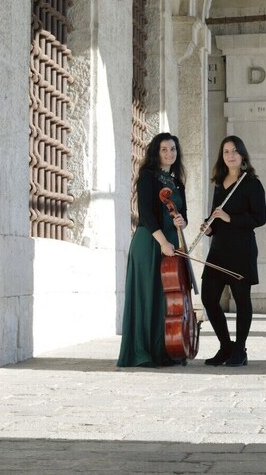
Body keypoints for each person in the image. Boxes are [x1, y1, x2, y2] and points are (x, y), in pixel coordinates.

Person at [118, 133, 189, 368]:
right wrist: (163, 243)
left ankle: (164, 350)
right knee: (147, 296)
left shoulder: (177, 182)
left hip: (170, 242)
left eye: (173, 149)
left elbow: (184, 216)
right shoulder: (147, 178)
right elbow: (146, 214)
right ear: (156, 152)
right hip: (151, 242)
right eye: (164, 149)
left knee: (165, 300)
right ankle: (142, 353)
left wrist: (181, 221)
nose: (169, 153)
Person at [200, 136, 266, 367]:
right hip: (219, 249)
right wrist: (209, 228)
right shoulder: (219, 183)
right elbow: (215, 216)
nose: (230, 155)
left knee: (241, 300)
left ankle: (240, 350)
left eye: (234, 151)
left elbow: (260, 218)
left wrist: (231, 218)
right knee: (208, 298)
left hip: (242, 249)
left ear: (242, 155)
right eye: (226, 151)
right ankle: (225, 346)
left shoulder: (251, 183)